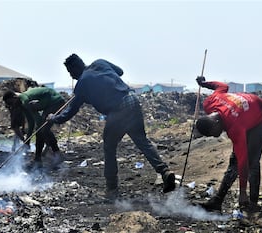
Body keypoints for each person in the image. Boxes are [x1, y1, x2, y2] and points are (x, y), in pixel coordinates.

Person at [47, 53, 176, 199]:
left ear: (76, 68)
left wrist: (54, 118)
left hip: (118, 110)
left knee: (109, 147)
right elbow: (120, 71)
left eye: (71, 73)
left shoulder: (82, 83)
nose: (72, 76)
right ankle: (164, 171)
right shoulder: (100, 63)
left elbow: (70, 112)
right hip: (132, 101)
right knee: (142, 141)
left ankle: (112, 190)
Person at [195, 76, 262, 212]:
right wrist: (204, 84)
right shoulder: (210, 102)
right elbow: (222, 87)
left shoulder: (234, 128)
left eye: (214, 133)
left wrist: (242, 191)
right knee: (234, 161)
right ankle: (217, 201)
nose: (216, 136)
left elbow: (243, 161)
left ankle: (252, 204)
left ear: (217, 123)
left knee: (252, 162)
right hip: (247, 113)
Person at [2, 86, 65, 168]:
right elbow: (31, 122)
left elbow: (38, 121)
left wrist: (30, 139)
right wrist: (27, 142)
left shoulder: (24, 100)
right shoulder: (22, 105)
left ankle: (56, 155)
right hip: (48, 104)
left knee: (42, 129)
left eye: (11, 103)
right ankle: (38, 159)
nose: (12, 106)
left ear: (15, 98)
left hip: (55, 101)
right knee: (41, 129)